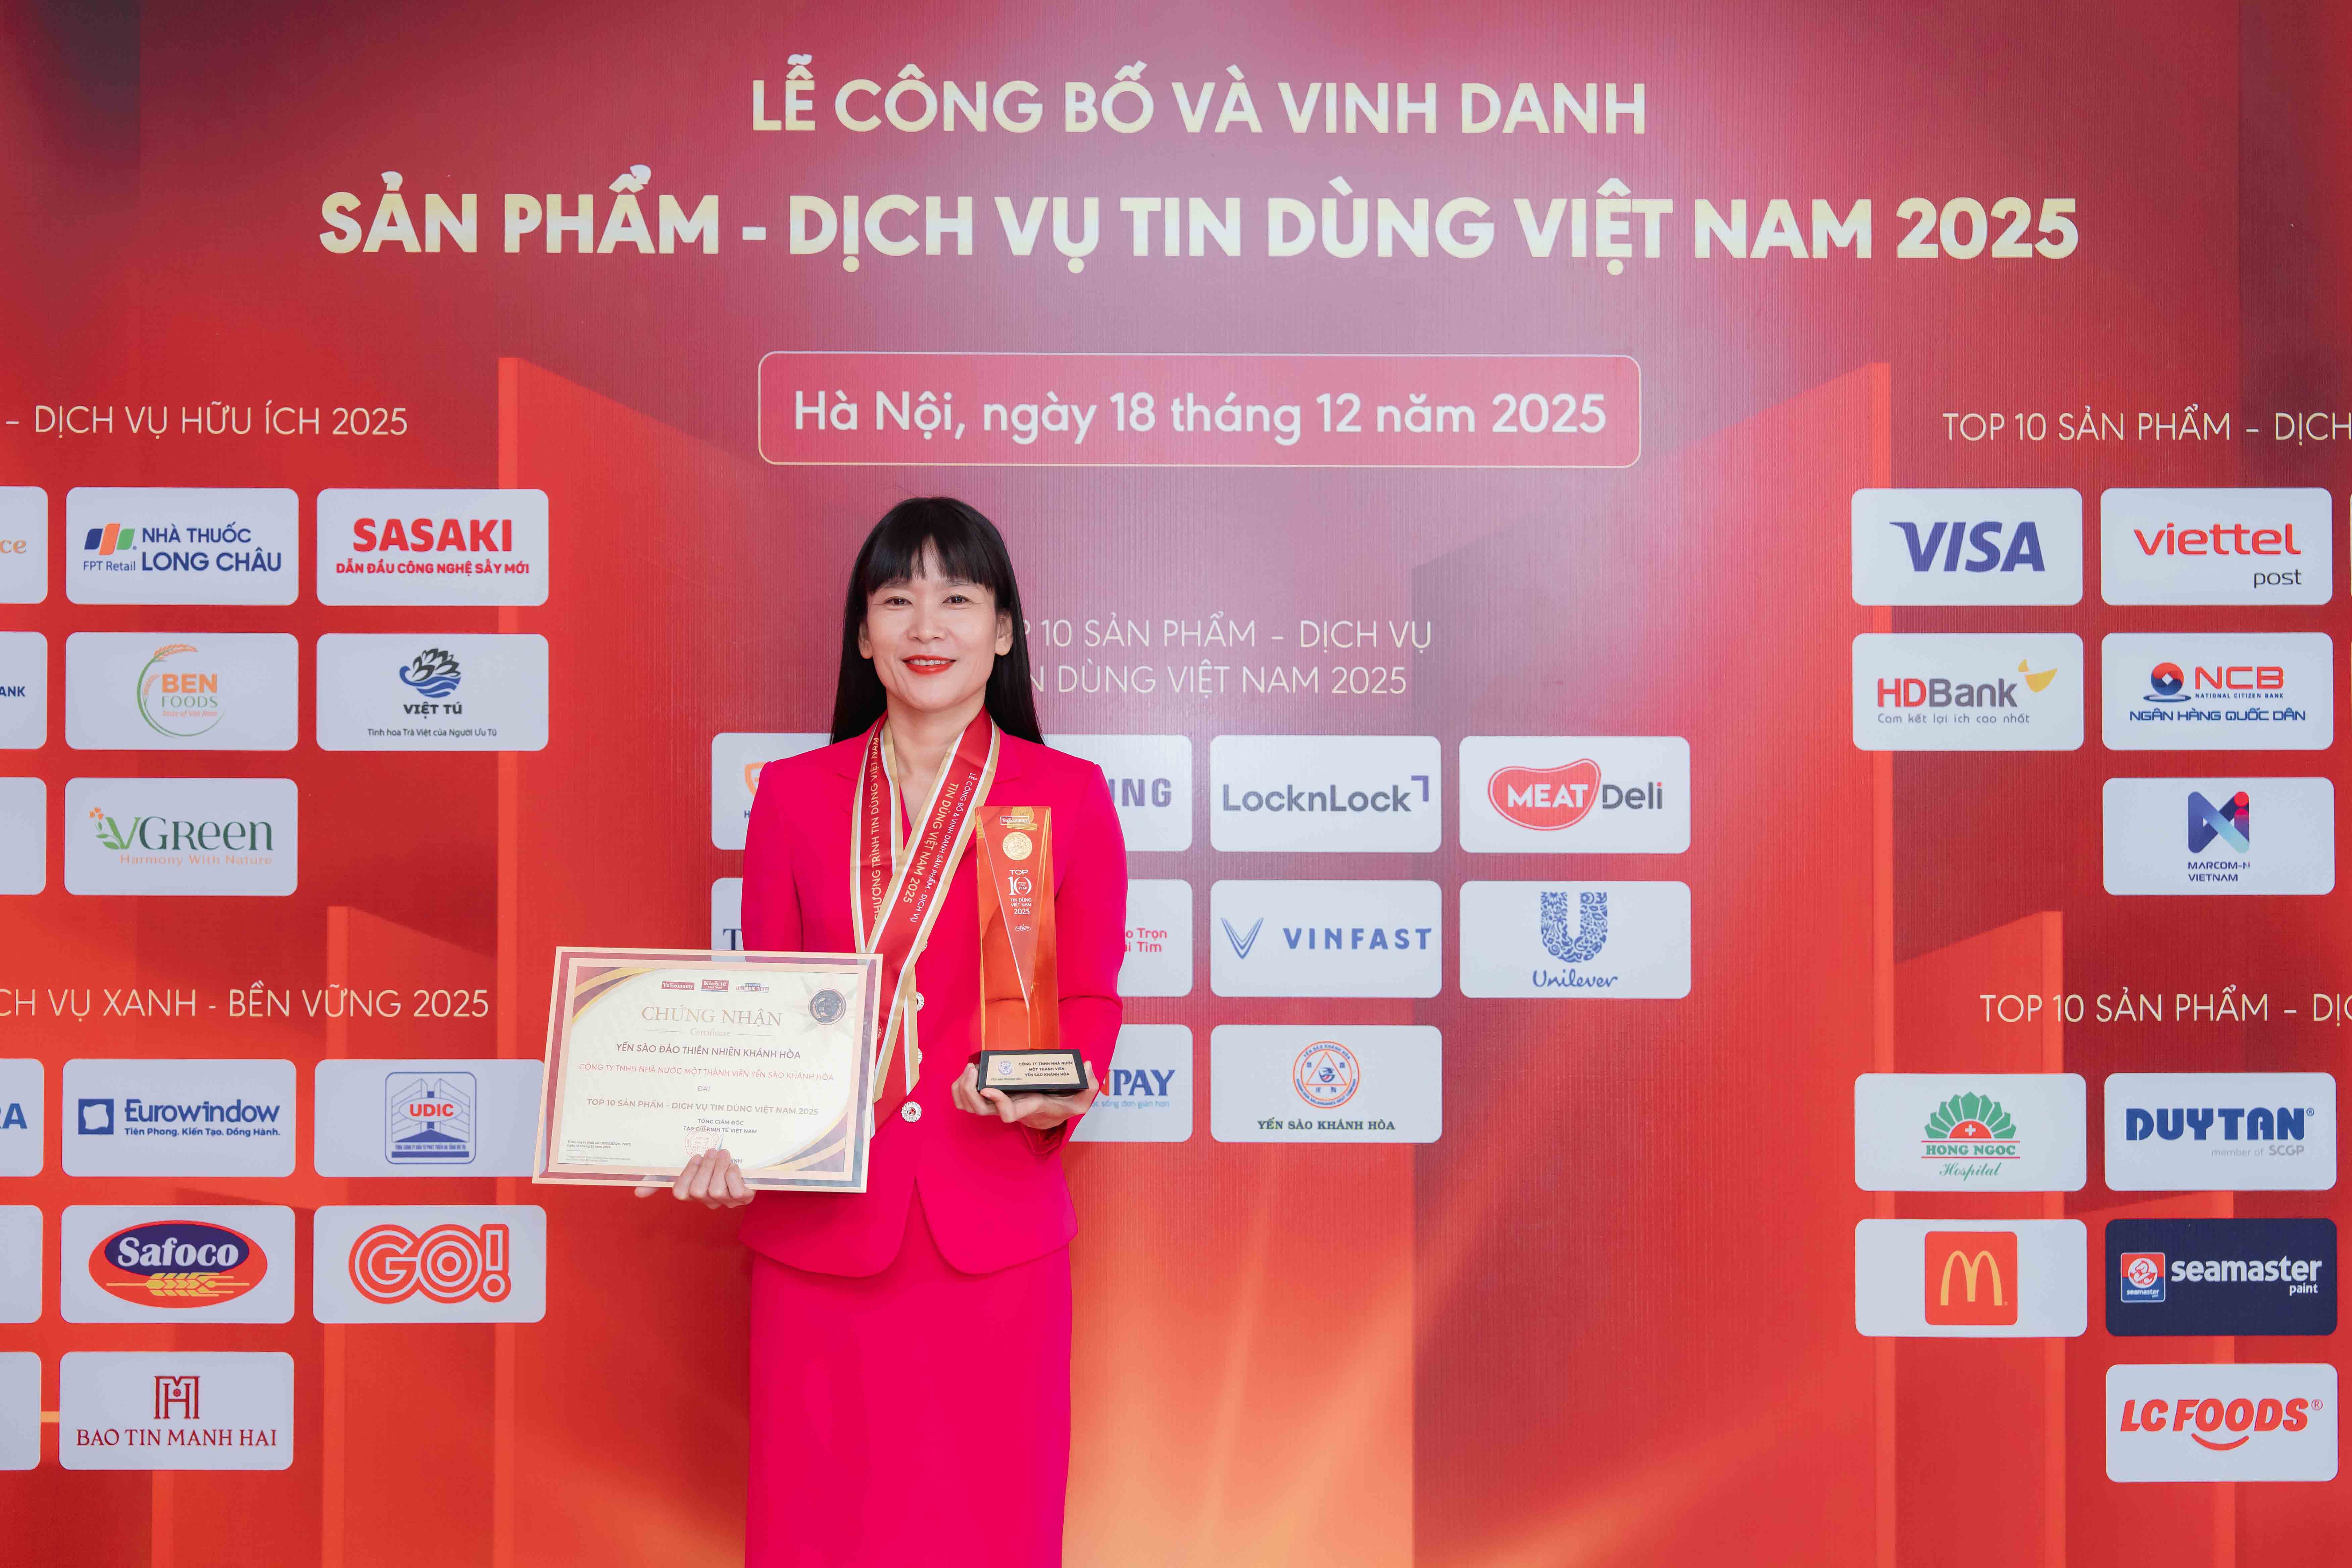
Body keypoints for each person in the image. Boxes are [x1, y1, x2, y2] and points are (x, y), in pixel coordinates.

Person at [638, 496, 1128, 1568]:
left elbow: (1087, 1000)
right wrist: (732, 1141)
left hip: (992, 1235)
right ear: (863, 635)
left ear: (1004, 630)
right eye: (897, 600)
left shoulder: (1067, 796)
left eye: (958, 599)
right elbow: (767, 1009)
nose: (927, 626)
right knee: (820, 1526)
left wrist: (1057, 1089)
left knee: (989, 1527)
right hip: (823, 1237)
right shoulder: (793, 798)